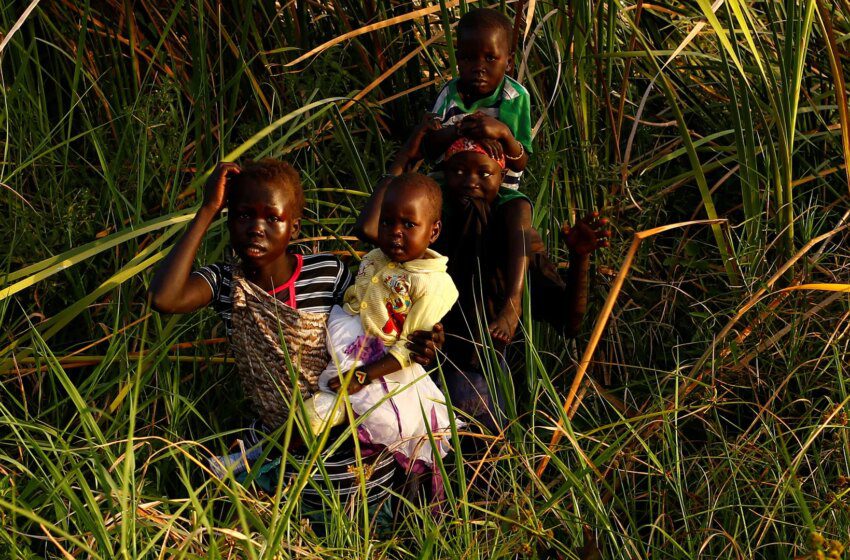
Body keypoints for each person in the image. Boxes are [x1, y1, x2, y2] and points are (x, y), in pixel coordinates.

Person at [147, 159, 444, 464]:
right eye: (244, 215)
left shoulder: (327, 273)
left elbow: (372, 332)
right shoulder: (226, 283)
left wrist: (423, 342)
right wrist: (208, 208)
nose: (256, 228)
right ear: (229, 221)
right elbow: (164, 298)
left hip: (347, 441)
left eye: (273, 218)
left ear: (294, 227)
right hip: (273, 435)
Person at [356, 133, 609, 430]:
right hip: (401, 363)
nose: (469, 183)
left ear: (501, 178)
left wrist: (580, 258)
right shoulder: (421, 234)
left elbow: (570, 322)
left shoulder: (514, 242)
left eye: (483, 173)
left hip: (474, 371)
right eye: (458, 171)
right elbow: (370, 229)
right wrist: (402, 161)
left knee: (475, 430)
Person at [306, 173, 458, 469]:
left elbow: (409, 347)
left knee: (370, 429)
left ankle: (259, 460)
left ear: (434, 231)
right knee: (319, 418)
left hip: (380, 368)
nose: (395, 232)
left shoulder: (435, 284)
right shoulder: (376, 257)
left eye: (409, 225)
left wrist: (362, 376)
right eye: (387, 222)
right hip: (344, 345)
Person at [421, 8, 532, 190]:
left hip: (498, 191)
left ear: (509, 62)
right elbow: (430, 150)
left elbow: (520, 163)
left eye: (490, 58)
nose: (479, 67)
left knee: (521, 206)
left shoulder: (514, 96)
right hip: (451, 187)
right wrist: (463, 129)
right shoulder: (449, 94)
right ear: (458, 59)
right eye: (469, 58)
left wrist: (503, 133)